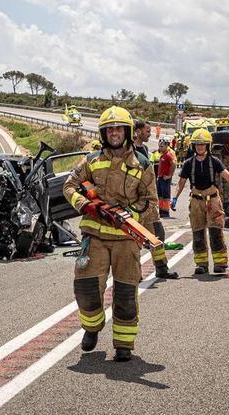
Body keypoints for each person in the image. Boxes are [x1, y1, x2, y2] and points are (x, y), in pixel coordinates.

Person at [63, 106, 158, 361]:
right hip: (94, 236)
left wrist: (128, 216)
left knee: (126, 292)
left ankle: (124, 344)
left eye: (118, 128)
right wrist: (86, 205)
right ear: (104, 133)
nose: (114, 133)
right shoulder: (92, 160)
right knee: (86, 288)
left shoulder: (143, 164)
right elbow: (69, 185)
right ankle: (92, 328)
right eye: (109, 129)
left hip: (126, 239)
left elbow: (151, 203)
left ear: (127, 132)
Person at [172, 128, 229, 274]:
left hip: (213, 201)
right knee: (198, 233)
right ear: (193, 146)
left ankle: (220, 263)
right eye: (197, 144)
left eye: (203, 144)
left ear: (208, 146)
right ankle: (201, 264)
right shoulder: (188, 163)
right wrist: (175, 197)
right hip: (196, 201)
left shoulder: (215, 161)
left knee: (215, 231)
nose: (200, 147)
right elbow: (181, 183)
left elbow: (228, 177)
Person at [133, 119, 179, 280]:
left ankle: (161, 268)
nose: (150, 133)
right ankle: (134, 274)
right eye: (147, 131)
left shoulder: (145, 149)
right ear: (137, 132)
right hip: (136, 204)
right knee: (134, 239)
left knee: (158, 234)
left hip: (150, 203)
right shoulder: (128, 150)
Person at [156, 137, 176, 218]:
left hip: (165, 179)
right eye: (159, 146)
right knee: (160, 195)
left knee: (165, 196)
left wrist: (169, 176)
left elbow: (173, 164)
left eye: (162, 146)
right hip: (160, 178)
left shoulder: (168, 154)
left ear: (167, 146)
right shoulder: (163, 155)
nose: (160, 148)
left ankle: (165, 212)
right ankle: (161, 211)